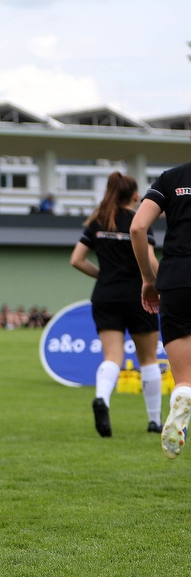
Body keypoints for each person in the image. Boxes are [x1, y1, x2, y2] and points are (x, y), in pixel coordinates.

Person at [70, 172, 161, 437]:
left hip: (105, 294)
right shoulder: (139, 221)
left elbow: (76, 259)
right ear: (135, 196)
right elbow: (152, 261)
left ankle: (102, 399)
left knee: (112, 357)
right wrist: (164, 286)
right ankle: (154, 420)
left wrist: (104, 276)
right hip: (138, 295)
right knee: (148, 359)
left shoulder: (97, 221)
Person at [131, 159, 191, 459]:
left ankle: (182, 394)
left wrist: (148, 279)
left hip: (177, 280)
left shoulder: (171, 178)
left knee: (185, 377)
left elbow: (138, 227)